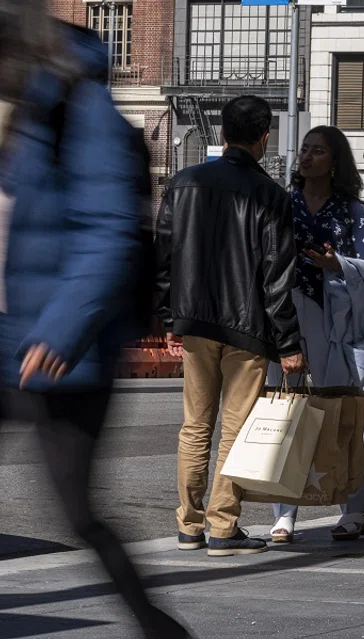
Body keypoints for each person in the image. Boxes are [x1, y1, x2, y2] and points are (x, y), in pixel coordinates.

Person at [0, 3, 190, 636]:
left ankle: (157, 626)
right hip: (7, 338)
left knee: (78, 510)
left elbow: (108, 230)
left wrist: (62, 327)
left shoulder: (81, 113)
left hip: (65, 351)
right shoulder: (18, 114)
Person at [156, 95, 304, 558]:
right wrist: (289, 342)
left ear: (222, 131)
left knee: (194, 425)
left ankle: (188, 525)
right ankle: (223, 527)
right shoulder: (271, 196)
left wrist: (168, 314)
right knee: (237, 430)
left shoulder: (183, 183)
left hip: (196, 322)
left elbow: (163, 256)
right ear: (265, 138)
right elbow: (277, 277)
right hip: (248, 328)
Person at [266, 125, 364, 543]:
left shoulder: (351, 210)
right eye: (304, 149)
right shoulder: (282, 204)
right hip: (285, 317)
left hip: (335, 323)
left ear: (335, 161)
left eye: (318, 151)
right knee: (284, 411)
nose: (307, 157)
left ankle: (355, 509)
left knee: (340, 415)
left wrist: (337, 266)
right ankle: (283, 513)